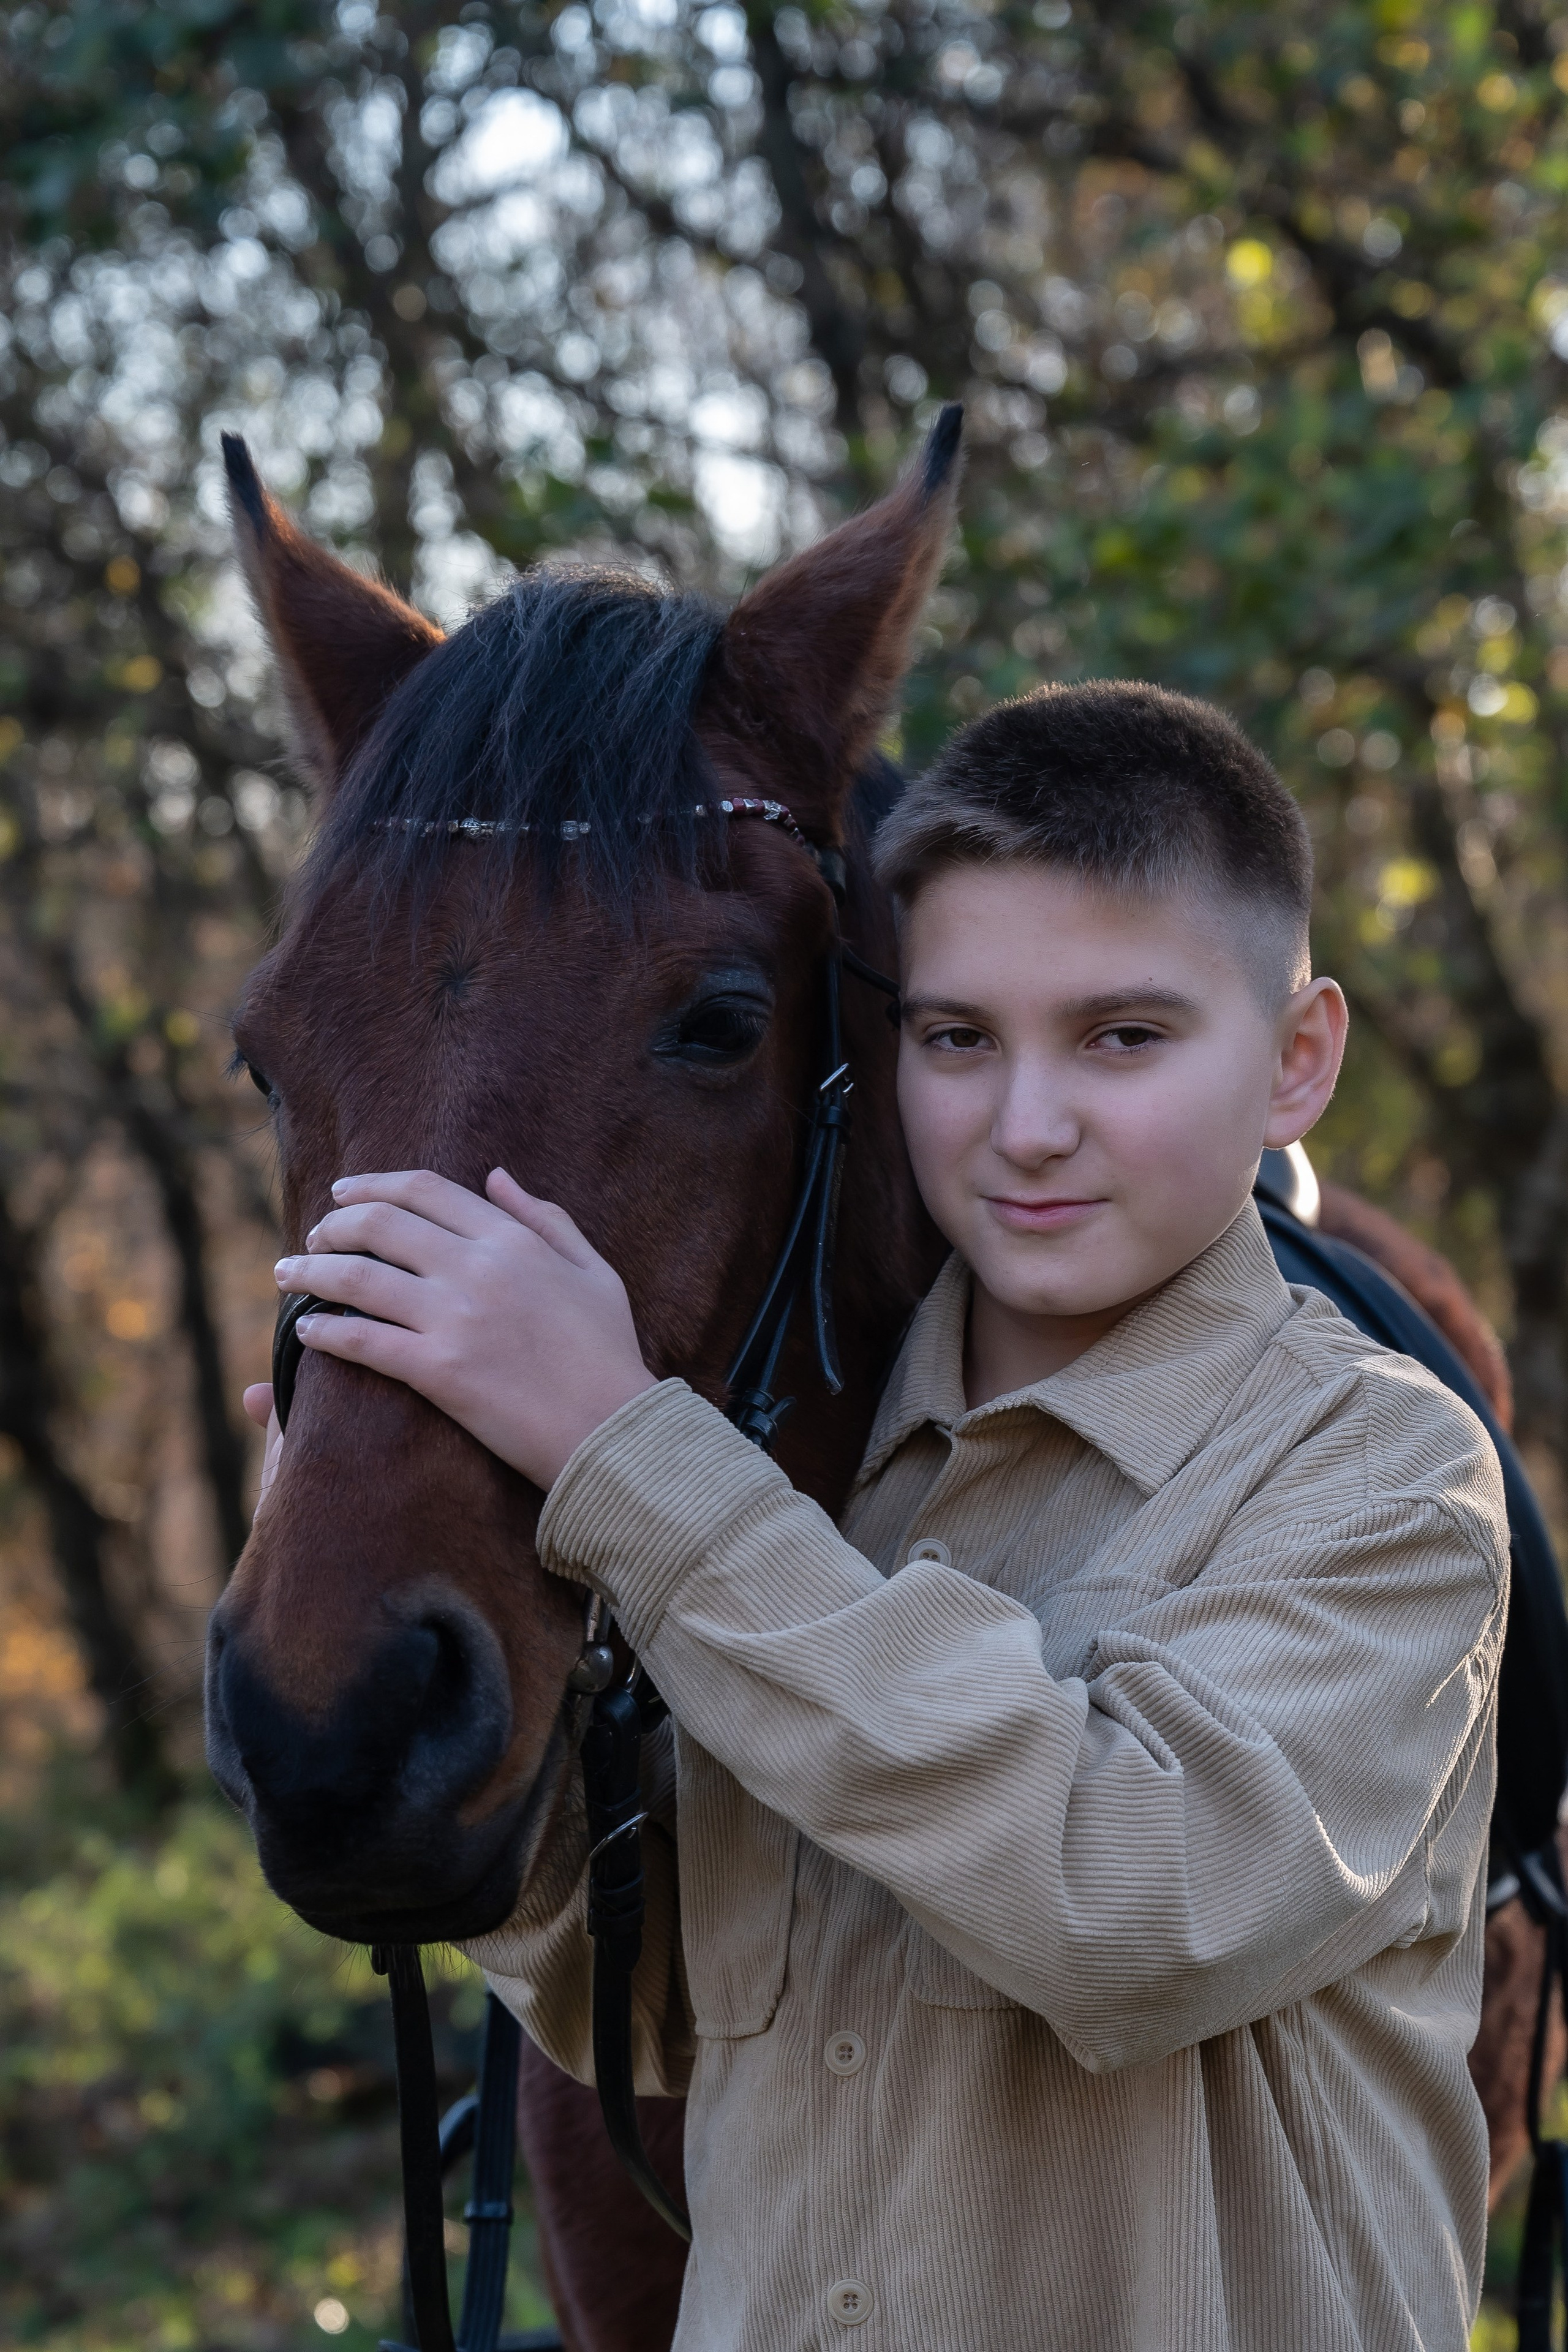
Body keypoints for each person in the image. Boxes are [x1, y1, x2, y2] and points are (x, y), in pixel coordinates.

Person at [263, 680, 1508, 2351]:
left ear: (1298, 1062)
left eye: (1123, 1038)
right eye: (958, 1039)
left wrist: (624, 1454)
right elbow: (658, 2007)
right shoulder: (791, 1491)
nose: (1028, 1128)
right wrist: (454, 1677)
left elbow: (1129, 1907)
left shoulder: (1382, 1474)